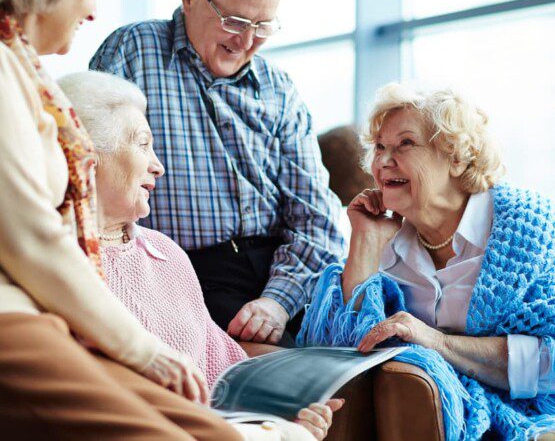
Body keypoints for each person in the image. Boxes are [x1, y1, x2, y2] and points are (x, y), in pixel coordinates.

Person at [0, 0, 242, 439]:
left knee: (221, 434)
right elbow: (30, 238)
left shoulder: (19, 67)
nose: (93, 7)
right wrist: (143, 350)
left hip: (35, 311)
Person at [298, 83, 555, 440]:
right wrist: (365, 243)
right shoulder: (385, 235)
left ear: (456, 157)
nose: (382, 161)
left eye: (405, 144)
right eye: (379, 147)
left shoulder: (531, 225)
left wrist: (439, 343)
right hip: (446, 412)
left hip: (538, 412)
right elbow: (339, 354)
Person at [58, 70, 344, 440]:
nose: (158, 166)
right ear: (87, 155)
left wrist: (283, 414)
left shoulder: (166, 254)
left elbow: (223, 370)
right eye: (143, 145)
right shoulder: (52, 261)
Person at [89, 0, 345, 347]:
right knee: (278, 378)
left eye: (262, 26)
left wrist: (277, 303)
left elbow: (319, 221)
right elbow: (95, 174)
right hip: (179, 272)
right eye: (235, 21)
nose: (247, 42)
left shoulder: (279, 89)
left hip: (280, 274)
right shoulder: (134, 50)